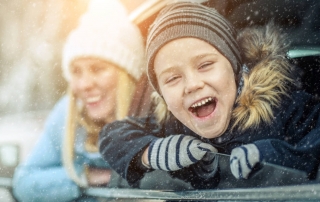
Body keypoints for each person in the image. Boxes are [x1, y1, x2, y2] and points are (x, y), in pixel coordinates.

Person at [99, 2, 320, 189]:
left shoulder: (283, 106)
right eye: (172, 79)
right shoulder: (172, 126)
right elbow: (111, 135)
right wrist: (151, 152)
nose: (192, 85)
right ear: (163, 96)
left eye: (205, 65)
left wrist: (279, 155)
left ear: (235, 69)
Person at [12, 0, 145, 201]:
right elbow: (25, 183)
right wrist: (87, 175)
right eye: (76, 71)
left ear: (128, 75)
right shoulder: (69, 114)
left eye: (97, 69)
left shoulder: (156, 116)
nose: (84, 85)